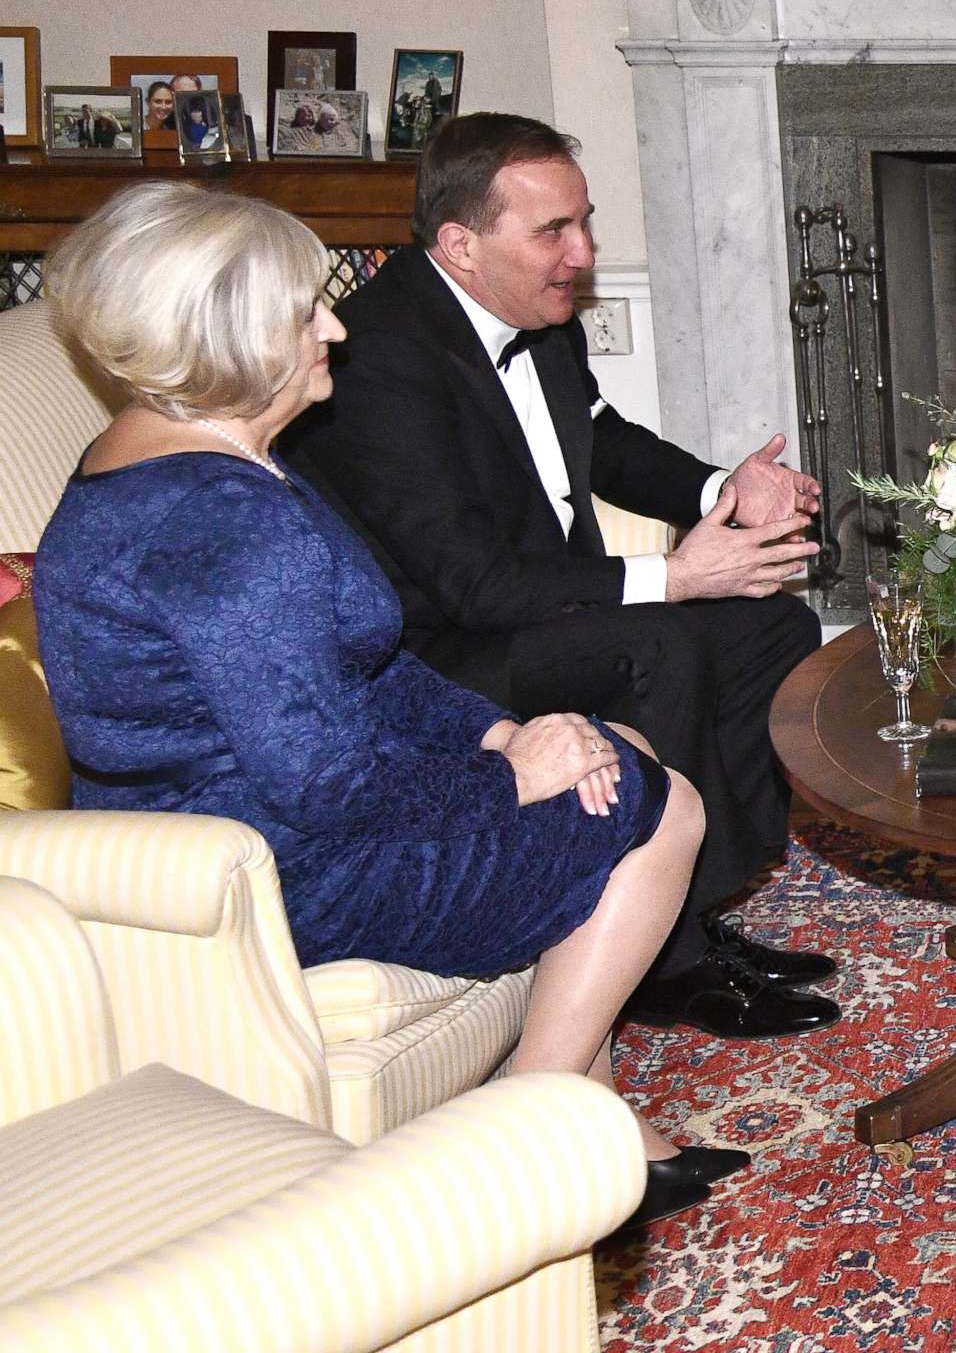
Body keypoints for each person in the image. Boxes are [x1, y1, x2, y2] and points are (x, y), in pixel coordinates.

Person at [35, 182, 741, 1232]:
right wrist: (508, 775)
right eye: (304, 310)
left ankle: (594, 1106)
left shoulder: (188, 460)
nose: (333, 325)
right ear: (227, 336)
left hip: (268, 824)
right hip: (282, 873)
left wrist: (499, 728)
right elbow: (322, 781)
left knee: (613, 748)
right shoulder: (230, 524)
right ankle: (531, 1128)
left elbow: (366, 663)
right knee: (655, 801)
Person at [285, 113, 837, 1040]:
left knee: (771, 629)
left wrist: (720, 485)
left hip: (537, 607)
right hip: (438, 657)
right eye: (554, 231)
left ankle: (688, 910)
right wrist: (672, 574)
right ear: (461, 244)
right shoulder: (377, 358)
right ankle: (665, 961)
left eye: (585, 223)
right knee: (658, 645)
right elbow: (471, 587)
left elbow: (602, 440)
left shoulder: (532, 312)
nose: (581, 254)